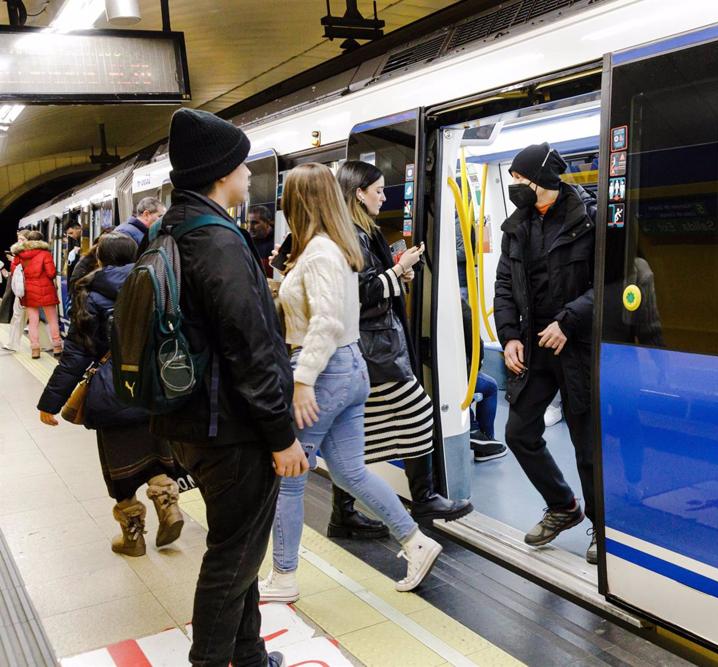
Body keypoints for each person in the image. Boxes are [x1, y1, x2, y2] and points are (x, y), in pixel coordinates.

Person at [152, 108, 305, 667]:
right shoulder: (218, 240)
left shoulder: (173, 228)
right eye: (243, 167)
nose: (248, 177)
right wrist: (281, 435)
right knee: (232, 559)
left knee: (237, 551)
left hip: (193, 418)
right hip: (230, 428)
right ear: (223, 173)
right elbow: (251, 346)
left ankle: (249, 655)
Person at [258, 163, 443, 602]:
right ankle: (416, 543)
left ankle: (283, 577)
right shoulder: (332, 247)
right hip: (349, 367)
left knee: (288, 476)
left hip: (324, 371)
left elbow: (325, 321)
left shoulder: (320, 251)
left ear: (299, 202)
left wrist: (303, 381)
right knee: (349, 471)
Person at [327, 160, 472, 539]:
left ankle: (343, 514)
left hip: (377, 346)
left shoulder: (361, 232)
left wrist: (395, 274)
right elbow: (359, 293)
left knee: (355, 434)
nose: (383, 197)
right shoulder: (350, 237)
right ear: (359, 193)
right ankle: (423, 498)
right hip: (374, 349)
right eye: (378, 190)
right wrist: (397, 271)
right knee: (419, 413)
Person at [36, 233, 184, 557]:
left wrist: (50, 403)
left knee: (121, 473)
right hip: (153, 391)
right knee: (158, 454)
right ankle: (168, 503)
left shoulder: (89, 294)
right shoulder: (156, 284)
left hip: (112, 393)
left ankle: (134, 538)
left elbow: (76, 356)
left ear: (99, 259)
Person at [494, 143, 599, 564]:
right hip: (534, 348)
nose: (514, 185)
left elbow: (611, 284)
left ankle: (603, 528)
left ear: (542, 180)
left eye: (519, 179)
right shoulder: (516, 227)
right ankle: (563, 506)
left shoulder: (588, 221)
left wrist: (567, 321)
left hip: (577, 346)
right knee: (519, 433)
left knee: (587, 447)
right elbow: (504, 286)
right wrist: (508, 337)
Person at [461, 297, 506, 461]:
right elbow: (476, 347)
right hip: (455, 379)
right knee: (490, 387)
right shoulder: (460, 309)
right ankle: (482, 440)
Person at [10, 230, 62, 359]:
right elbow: (51, 273)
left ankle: (35, 349)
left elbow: (14, 271)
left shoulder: (20, 254)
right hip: (46, 290)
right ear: (41, 241)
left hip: (29, 291)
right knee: (52, 320)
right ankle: (57, 346)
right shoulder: (45, 254)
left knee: (33, 321)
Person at [2, 231, 28, 351]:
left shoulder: (24, 254)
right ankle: (44, 345)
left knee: (18, 317)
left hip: (23, 291)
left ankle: (13, 343)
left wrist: (13, 260)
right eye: (19, 239)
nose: (19, 241)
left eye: (22, 239)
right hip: (23, 290)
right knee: (33, 319)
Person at [248, 205, 276, 277]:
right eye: (249, 222)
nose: (250, 227)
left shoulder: (277, 242)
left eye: (255, 223)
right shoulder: (248, 242)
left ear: (267, 223)